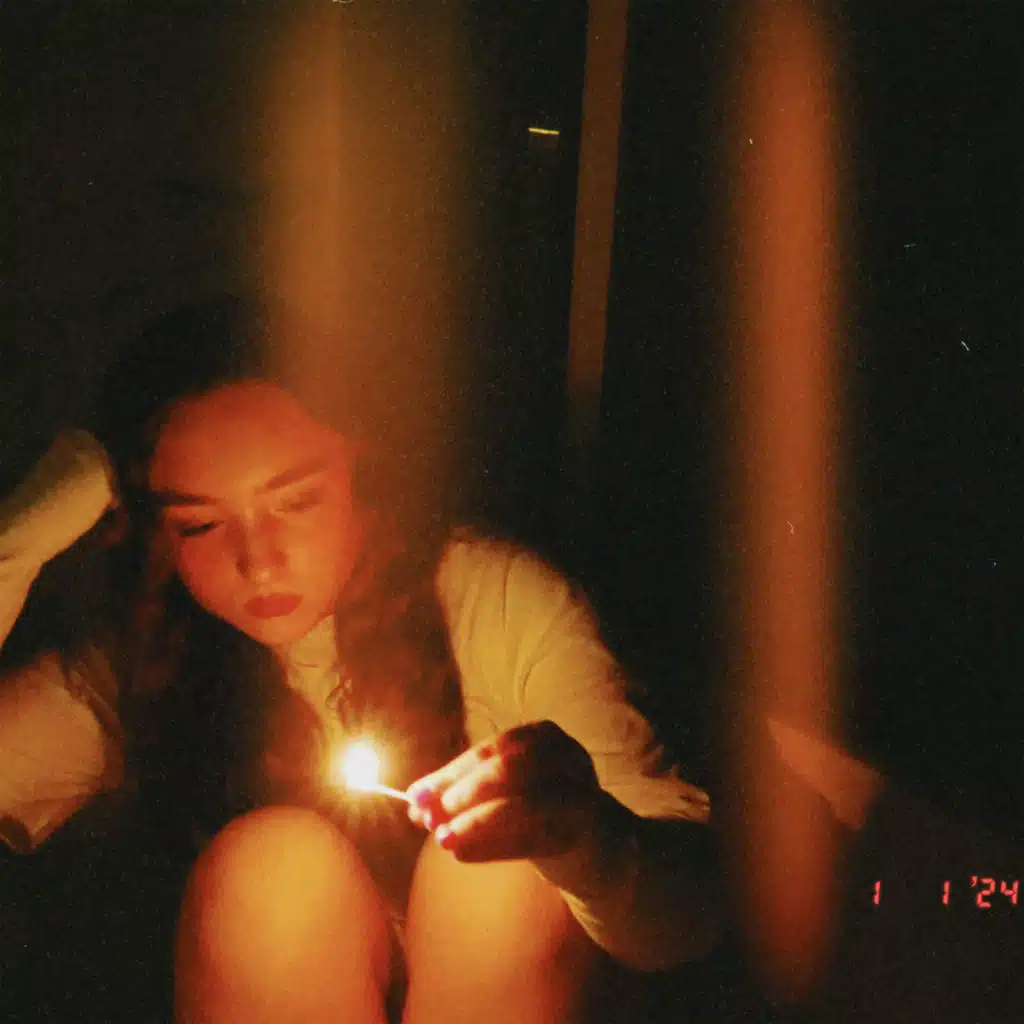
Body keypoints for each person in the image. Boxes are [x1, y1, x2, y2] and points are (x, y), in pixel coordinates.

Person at [0, 298, 721, 1023]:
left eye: (295, 503)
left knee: (493, 875)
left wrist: (586, 840)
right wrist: (18, 544)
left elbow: (687, 925)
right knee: (273, 871)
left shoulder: (498, 605)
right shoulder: (150, 655)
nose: (258, 561)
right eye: (201, 524)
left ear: (365, 477)